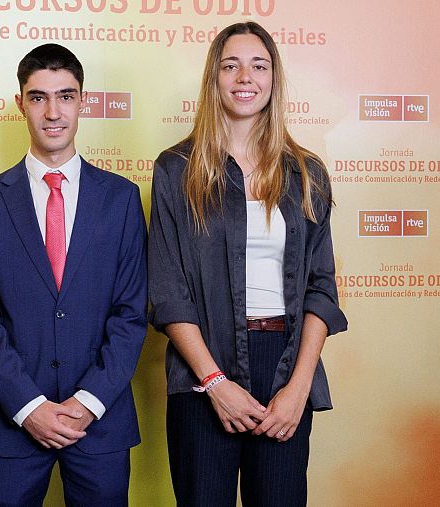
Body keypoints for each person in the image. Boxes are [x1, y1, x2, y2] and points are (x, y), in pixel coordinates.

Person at [148, 22, 347, 507]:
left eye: (259, 65)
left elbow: (321, 288)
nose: (245, 77)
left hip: (284, 361)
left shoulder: (306, 172)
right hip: (203, 367)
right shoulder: (176, 168)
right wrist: (214, 382)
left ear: (273, 78)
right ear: (213, 78)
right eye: (230, 65)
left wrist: (299, 389)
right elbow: (168, 290)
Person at [0, 43, 148, 506]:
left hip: (101, 423)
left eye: (65, 96)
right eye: (39, 96)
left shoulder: (122, 199)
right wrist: (29, 408)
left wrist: (89, 402)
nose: (53, 111)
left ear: (83, 101)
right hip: (13, 425)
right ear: (20, 103)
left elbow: (131, 313)